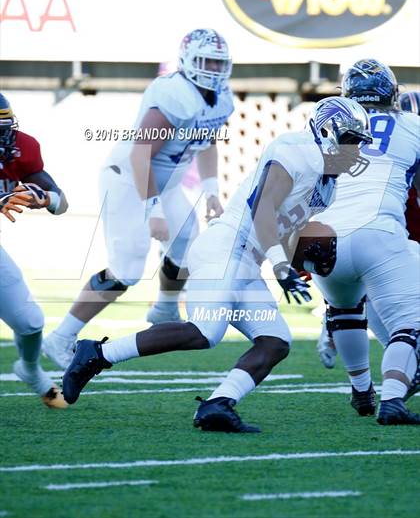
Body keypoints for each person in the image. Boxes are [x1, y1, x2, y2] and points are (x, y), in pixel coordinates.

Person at [61, 96, 372, 433]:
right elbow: (263, 208)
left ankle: (217, 404)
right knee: (205, 331)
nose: (356, 152)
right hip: (225, 248)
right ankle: (97, 354)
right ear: (327, 132)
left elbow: (283, 228)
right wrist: (281, 266)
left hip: (247, 263)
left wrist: (305, 259)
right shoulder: (295, 151)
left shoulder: (328, 188)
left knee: (276, 340)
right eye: (352, 141)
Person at [43, 29, 234, 370]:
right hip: (130, 180)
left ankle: (163, 308)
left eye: (219, 62)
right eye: (207, 61)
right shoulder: (175, 94)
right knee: (126, 270)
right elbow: (140, 154)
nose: (213, 70)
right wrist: (154, 208)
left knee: (187, 243)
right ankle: (60, 338)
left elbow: (208, 140)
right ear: (188, 60)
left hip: (166, 183)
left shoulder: (220, 98)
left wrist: (211, 190)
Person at [309, 60, 420, 425]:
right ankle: (392, 401)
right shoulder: (412, 126)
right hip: (377, 233)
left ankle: (361, 390)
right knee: (411, 323)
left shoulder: (322, 125)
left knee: (344, 311)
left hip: (321, 238)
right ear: (392, 93)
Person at [0, 93, 68, 408]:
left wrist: (45, 198)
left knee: (29, 322)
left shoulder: (21, 148)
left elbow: (61, 201)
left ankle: (30, 370)